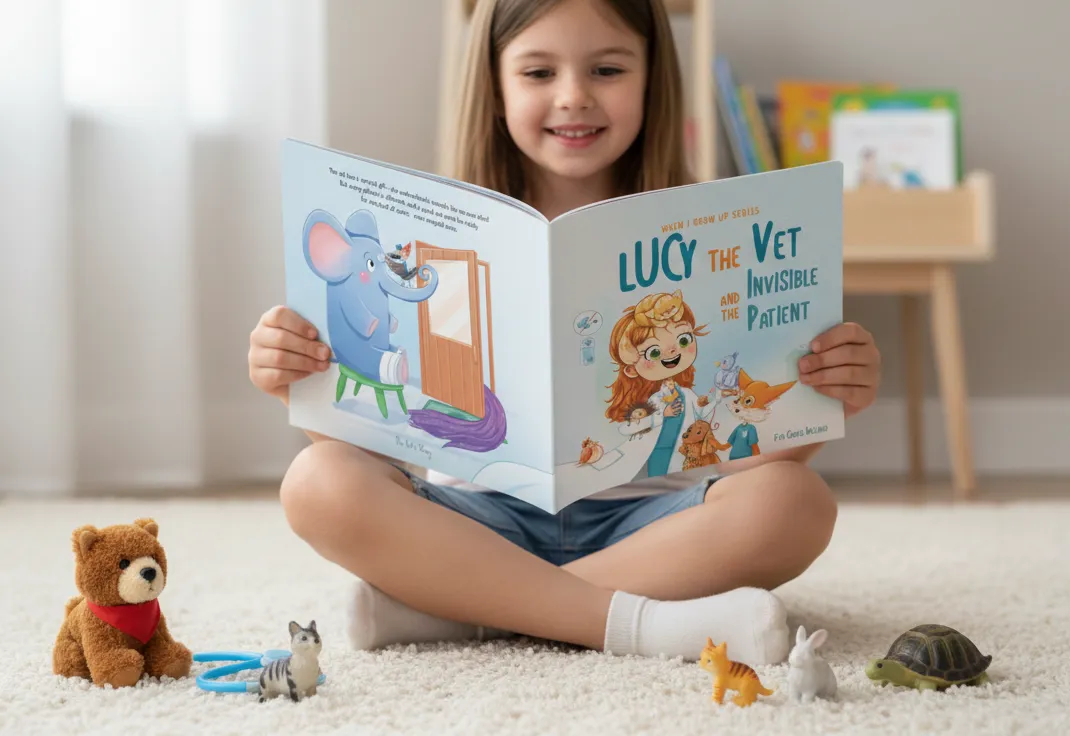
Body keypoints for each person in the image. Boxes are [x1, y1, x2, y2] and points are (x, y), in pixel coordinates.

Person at [248, 0, 880, 668]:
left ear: (651, 81)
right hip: (477, 522)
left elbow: (746, 453)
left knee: (795, 503)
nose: (573, 97)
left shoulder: (712, 234)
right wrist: (301, 375)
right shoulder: (425, 241)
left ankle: (471, 613)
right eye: (538, 72)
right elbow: (380, 441)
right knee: (317, 481)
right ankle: (632, 623)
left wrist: (817, 402)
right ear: (495, 88)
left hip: (654, 527)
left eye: (606, 69)